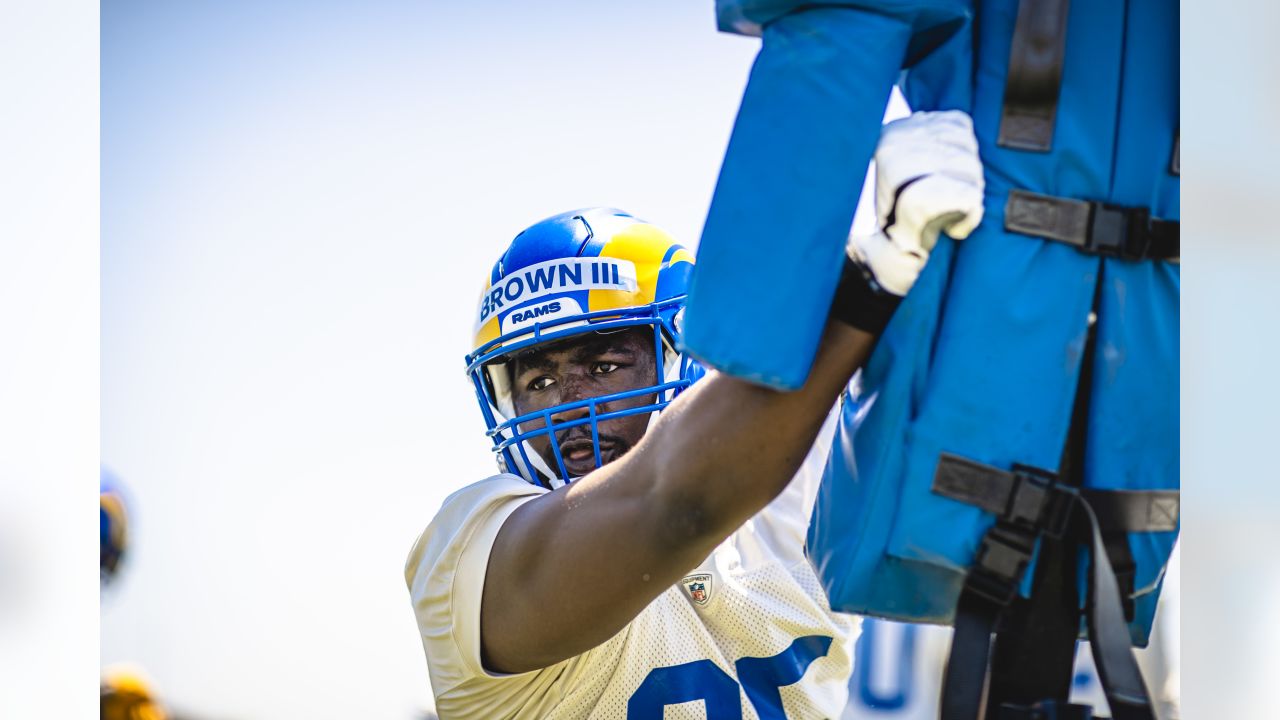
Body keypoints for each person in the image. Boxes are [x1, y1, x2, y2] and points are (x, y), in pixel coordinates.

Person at [405, 111, 985, 719]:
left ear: (684, 358)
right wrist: (876, 268)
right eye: (539, 380)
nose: (568, 404)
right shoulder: (472, 553)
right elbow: (672, 501)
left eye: (604, 366)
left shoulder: (792, 484)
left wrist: (955, 238)